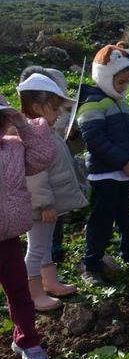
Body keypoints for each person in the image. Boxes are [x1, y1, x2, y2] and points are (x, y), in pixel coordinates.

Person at [78, 42, 129, 286]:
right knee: (101, 222)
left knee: (127, 218)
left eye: (127, 82)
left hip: (123, 174)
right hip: (104, 176)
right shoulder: (91, 104)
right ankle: (91, 266)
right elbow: (94, 140)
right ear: (105, 77)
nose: (124, 87)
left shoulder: (122, 102)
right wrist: (122, 162)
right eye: (120, 82)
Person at [18, 73, 87, 310]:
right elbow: (35, 176)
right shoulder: (35, 136)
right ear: (37, 107)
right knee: (36, 248)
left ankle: (49, 282)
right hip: (40, 208)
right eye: (55, 108)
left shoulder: (43, 131)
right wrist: (45, 204)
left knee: (44, 244)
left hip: (47, 205)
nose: (59, 113)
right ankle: (33, 294)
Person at [0, 96, 55, 359]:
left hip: (8, 238)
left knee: (19, 290)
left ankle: (27, 340)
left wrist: (21, 123)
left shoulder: (13, 148)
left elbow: (44, 155)